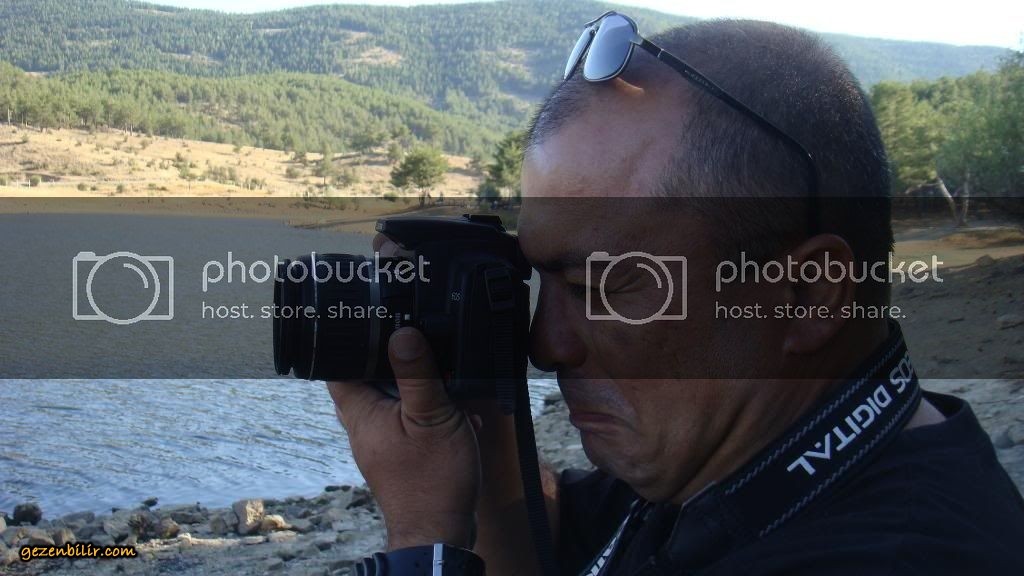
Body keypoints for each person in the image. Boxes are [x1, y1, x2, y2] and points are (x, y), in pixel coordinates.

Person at [327, 14, 1024, 575]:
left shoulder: (896, 556)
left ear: (807, 294)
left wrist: (423, 536)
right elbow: (548, 546)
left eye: (599, 286)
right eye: (540, 279)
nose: (546, 344)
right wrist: (474, 408)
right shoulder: (728, 463)